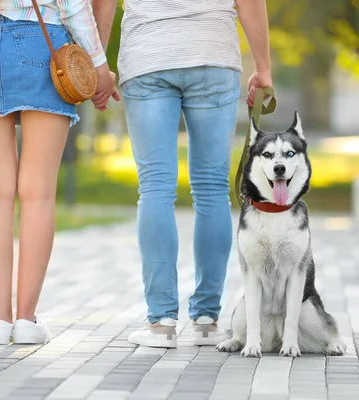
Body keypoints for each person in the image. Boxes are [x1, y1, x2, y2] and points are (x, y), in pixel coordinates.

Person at [91, 0, 273, 348]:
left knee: (155, 188)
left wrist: (99, 65)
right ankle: (206, 320)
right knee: (212, 189)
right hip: (212, 53)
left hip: (148, 54)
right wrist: (263, 65)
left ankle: (161, 322)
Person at [0, 0, 119, 345]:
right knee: (37, 193)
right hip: (42, 46)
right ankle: (26, 319)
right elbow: (73, 8)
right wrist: (99, 68)